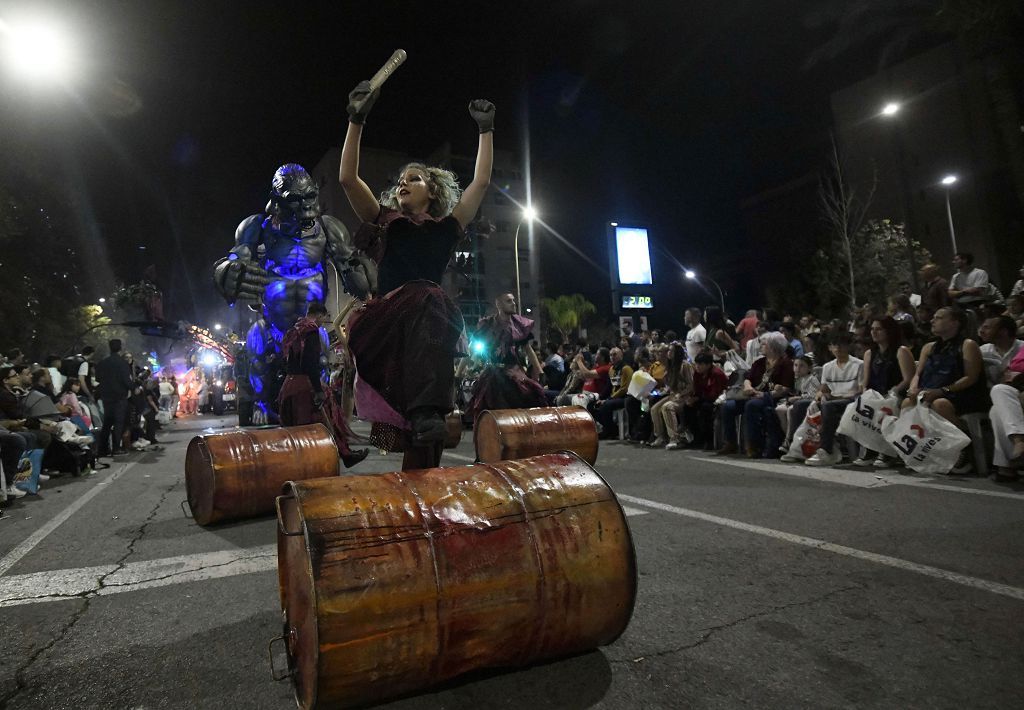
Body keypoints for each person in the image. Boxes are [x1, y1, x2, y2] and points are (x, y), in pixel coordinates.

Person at [339, 75, 493, 461]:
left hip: (425, 341)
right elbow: (346, 178)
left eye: (415, 178)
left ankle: (421, 503)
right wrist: (356, 120)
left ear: (434, 191)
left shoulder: (446, 230)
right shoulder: (386, 221)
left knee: (425, 444)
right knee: (428, 295)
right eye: (402, 180)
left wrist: (486, 130)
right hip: (387, 328)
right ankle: (424, 412)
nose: (404, 183)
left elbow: (482, 181)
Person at [901, 307, 990, 474]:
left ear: (954, 322)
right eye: (933, 317)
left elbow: (970, 378)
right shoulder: (929, 347)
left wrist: (943, 390)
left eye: (939, 317)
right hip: (930, 392)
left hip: (962, 394)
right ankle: (918, 450)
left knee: (940, 404)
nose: (932, 321)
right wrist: (913, 388)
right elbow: (917, 374)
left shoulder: (968, 345)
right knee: (907, 402)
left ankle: (963, 448)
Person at [279, 302, 368, 467]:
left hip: (290, 385)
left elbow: (284, 359)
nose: (322, 323)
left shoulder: (293, 331)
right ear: (319, 315)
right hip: (305, 386)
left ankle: (303, 463)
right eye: (323, 318)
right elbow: (310, 363)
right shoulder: (311, 331)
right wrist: (318, 390)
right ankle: (342, 455)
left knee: (296, 431)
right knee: (327, 423)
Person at [783, 331, 864, 466]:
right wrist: (819, 396)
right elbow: (823, 389)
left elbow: (859, 391)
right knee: (800, 405)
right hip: (831, 399)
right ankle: (796, 447)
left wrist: (835, 396)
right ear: (830, 348)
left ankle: (826, 450)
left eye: (841, 345)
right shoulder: (828, 367)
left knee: (828, 406)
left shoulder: (858, 365)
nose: (837, 348)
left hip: (850, 400)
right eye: (834, 345)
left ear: (848, 346)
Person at [467, 293, 546, 420]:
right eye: (509, 301)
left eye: (514, 300)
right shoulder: (488, 324)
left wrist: (540, 371)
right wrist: (462, 371)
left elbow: (528, 350)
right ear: (498, 304)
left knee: (526, 402)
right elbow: (471, 348)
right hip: (492, 375)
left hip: (514, 373)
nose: (514, 303)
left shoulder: (518, 325)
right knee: (489, 410)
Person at [849, 317, 915, 468]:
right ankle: (870, 448)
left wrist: (893, 391)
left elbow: (908, 378)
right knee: (861, 404)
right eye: (872, 329)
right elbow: (865, 381)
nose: (874, 332)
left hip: (896, 393)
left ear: (889, 331)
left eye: (878, 329)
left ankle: (887, 451)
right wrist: (866, 393)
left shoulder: (901, 351)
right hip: (876, 394)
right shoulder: (869, 354)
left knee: (886, 408)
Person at [717, 331, 794, 458]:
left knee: (751, 405)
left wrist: (763, 395)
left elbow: (785, 388)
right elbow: (748, 377)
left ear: (773, 346)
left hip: (772, 397)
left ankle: (753, 445)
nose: (760, 347)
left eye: (763, 344)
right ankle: (730, 442)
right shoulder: (759, 362)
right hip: (753, 394)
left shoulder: (786, 364)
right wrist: (748, 387)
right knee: (728, 406)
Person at [647, 343, 693, 449]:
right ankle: (660, 436)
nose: (669, 353)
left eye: (671, 351)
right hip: (672, 395)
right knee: (654, 409)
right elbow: (669, 387)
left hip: (684, 396)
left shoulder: (685, 365)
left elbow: (691, 385)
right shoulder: (669, 367)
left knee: (667, 407)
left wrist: (680, 394)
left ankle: (674, 438)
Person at [775, 355, 821, 454]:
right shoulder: (797, 379)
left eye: (801, 366)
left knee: (791, 410)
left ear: (809, 368)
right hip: (797, 403)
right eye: (795, 365)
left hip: (809, 405)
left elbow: (813, 396)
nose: (797, 369)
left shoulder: (811, 379)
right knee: (780, 409)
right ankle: (790, 437)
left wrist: (797, 398)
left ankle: (788, 440)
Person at [96, 339, 133, 457]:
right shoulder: (122, 363)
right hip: (119, 396)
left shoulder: (102, 363)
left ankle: (103, 449)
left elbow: (97, 378)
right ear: (120, 347)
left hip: (106, 396)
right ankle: (116, 448)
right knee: (118, 422)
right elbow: (126, 380)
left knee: (107, 422)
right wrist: (134, 387)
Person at [682, 353, 728, 449]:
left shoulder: (716, 374)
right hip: (702, 398)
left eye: (700, 364)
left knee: (705, 409)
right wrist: (692, 398)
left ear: (708, 365)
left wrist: (698, 398)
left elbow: (715, 394)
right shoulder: (697, 374)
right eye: (696, 364)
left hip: (716, 400)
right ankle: (696, 437)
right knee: (687, 408)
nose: (697, 367)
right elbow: (697, 389)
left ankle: (709, 440)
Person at [593, 347, 633, 440]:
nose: (612, 357)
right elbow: (609, 387)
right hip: (613, 397)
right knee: (593, 405)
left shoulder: (626, 369)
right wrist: (600, 398)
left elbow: (624, 389)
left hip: (625, 397)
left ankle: (610, 431)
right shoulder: (611, 369)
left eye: (614, 354)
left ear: (621, 355)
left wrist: (608, 399)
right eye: (610, 355)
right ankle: (611, 429)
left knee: (605, 406)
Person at [978, 315, 1023, 387]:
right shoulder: (982, 351)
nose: (981, 331)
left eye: (987, 328)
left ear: (1004, 331)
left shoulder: (1022, 348)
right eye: (982, 327)